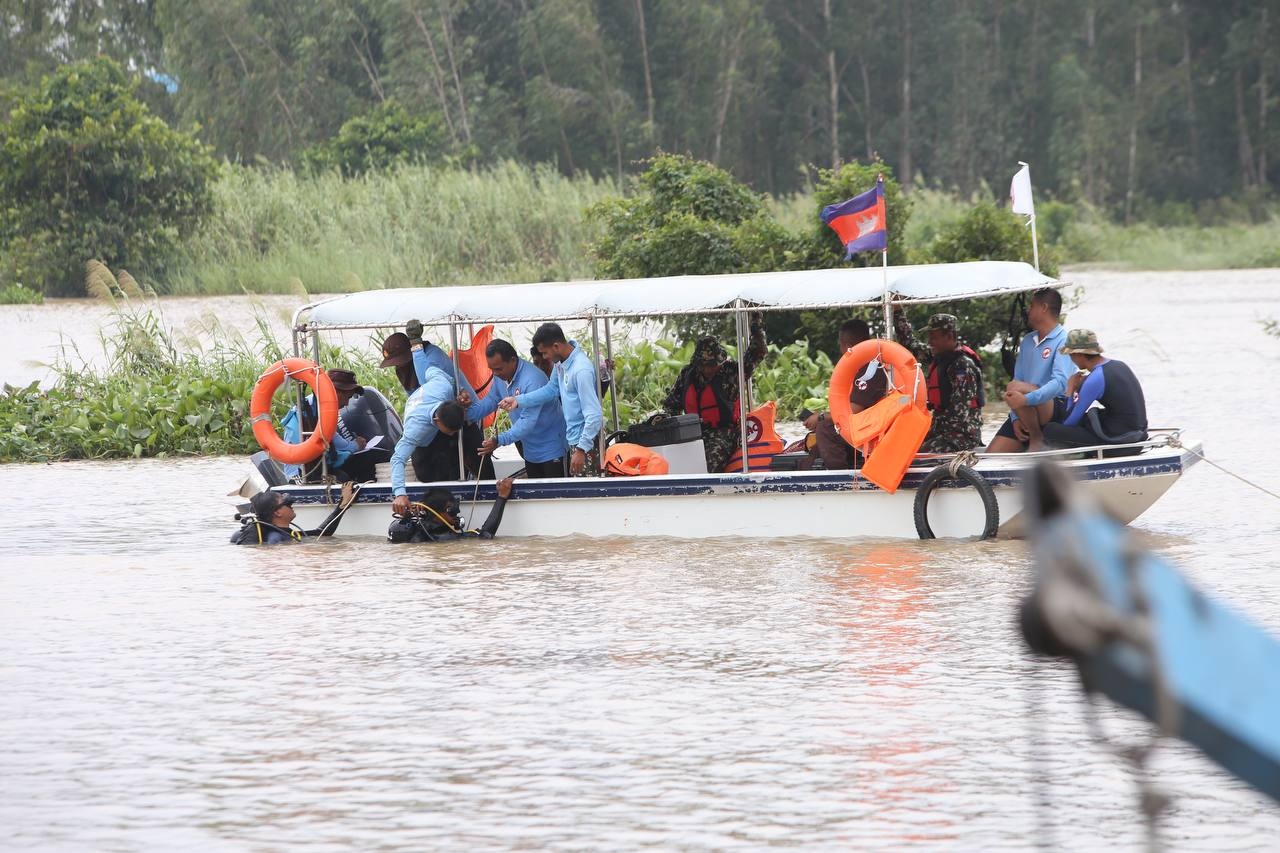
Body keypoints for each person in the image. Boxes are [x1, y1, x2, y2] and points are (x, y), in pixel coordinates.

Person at [658, 312, 767, 473]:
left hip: (724, 433)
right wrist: (672, 427)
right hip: (692, 432)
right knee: (671, 461)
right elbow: (671, 405)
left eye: (712, 365)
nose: (708, 369)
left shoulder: (732, 373)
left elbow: (758, 351)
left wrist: (756, 323)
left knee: (706, 465)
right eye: (704, 365)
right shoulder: (688, 375)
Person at [381, 325, 492, 480]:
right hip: (436, 418)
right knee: (430, 466)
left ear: (410, 351)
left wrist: (460, 394)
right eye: (394, 363)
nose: (397, 365)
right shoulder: (404, 369)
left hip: (459, 413)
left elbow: (427, 379)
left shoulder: (431, 360)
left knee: (476, 459)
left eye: (399, 361)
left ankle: (487, 489)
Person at [498, 323, 603, 476]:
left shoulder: (581, 370)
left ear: (556, 346)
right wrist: (518, 400)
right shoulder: (560, 364)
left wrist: (581, 449)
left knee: (585, 493)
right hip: (573, 439)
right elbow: (551, 389)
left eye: (545, 353)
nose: (544, 357)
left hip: (585, 442)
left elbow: (594, 414)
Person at [462, 339, 568, 478]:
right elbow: (490, 402)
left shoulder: (533, 379)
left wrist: (499, 440)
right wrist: (462, 414)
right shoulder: (500, 377)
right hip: (530, 452)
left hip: (552, 450)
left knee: (556, 498)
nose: (495, 374)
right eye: (492, 369)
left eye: (499, 369)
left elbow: (527, 421)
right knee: (535, 495)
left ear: (513, 360)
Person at [987, 287, 1075, 453]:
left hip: (1055, 404)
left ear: (1043, 308)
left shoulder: (1064, 340)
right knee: (991, 457)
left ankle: (1036, 437)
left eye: (1032, 305)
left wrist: (1026, 400)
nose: (1028, 309)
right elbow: (1016, 380)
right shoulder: (1027, 341)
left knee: (1018, 389)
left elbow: (1060, 384)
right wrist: (1015, 418)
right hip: (1026, 408)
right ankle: (1027, 427)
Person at [802, 318, 887, 469]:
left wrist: (821, 417)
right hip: (858, 426)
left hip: (868, 428)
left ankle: (838, 474)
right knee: (814, 452)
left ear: (848, 346)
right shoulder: (858, 367)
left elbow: (854, 411)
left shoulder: (871, 369)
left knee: (825, 426)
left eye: (840, 344)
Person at [1042, 330, 1148, 451]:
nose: (1071, 359)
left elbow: (1069, 421)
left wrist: (1070, 390)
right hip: (1138, 432)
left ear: (1079, 355)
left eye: (1070, 355)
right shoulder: (1119, 365)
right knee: (1085, 420)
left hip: (1121, 440)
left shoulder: (1095, 378)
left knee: (1050, 430)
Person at [895, 311, 984, 453]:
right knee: (902, 444)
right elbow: (909, 343)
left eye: (934, 337)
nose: (929, 342)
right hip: (941, 430)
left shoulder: (963, 367)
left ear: (950, 336)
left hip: (962, 435)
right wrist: (897, 311)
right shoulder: (938, 356)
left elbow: (958, 415)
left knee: (913, 453)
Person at [389, 366, 468, 510]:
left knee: (454, 459)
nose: (453, 433)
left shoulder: (444, 388)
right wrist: (399, 493)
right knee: (426, 476)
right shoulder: (415, 430)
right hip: (422, 441)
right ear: (438, 420)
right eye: (451, 431)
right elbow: (397, 459)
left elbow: (430, 370)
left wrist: (460, 389)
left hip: (437, 429)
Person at [388, 477, 514, 542]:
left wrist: (407, 516)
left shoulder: (416, 528)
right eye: (451, 510)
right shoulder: (444, 537)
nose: (455, 515)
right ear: (436, 513)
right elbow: (486, 535)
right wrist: (502, 497)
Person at [230, 483, 358, 545]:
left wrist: (343, 505)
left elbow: (321, 533)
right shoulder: (276, 538)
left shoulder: (284, 533)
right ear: (278, 512)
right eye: (284, 501)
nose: (290, 502)